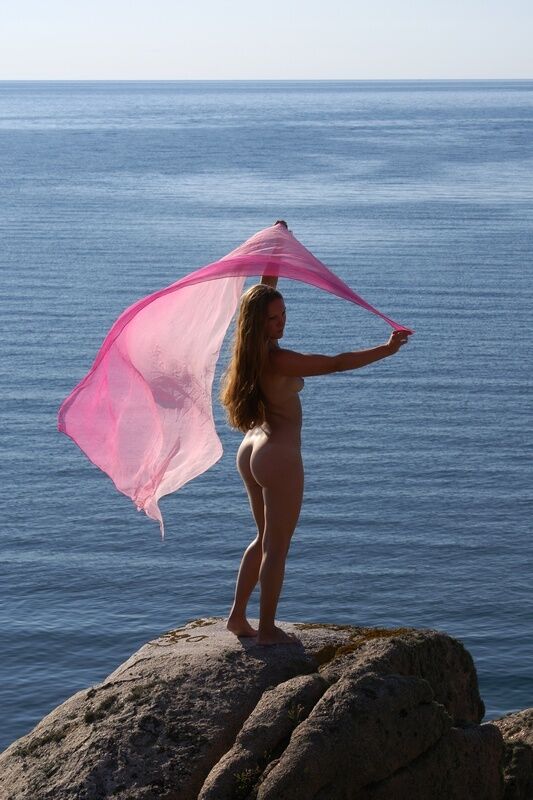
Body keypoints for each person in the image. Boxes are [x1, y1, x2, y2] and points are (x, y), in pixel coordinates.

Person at [220, 220, 410, 645]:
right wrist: (386, 349)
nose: (281, 322)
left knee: (263, 538)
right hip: (278, 456)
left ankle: (237, 617)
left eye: (283, 314)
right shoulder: (279, 360)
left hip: (251, 448)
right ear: (259, 323)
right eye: (273, 319)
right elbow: (336, 362)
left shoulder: (248, 349)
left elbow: (263, 289)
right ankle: (267, 630)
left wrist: (276, 247)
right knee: (277, 548)